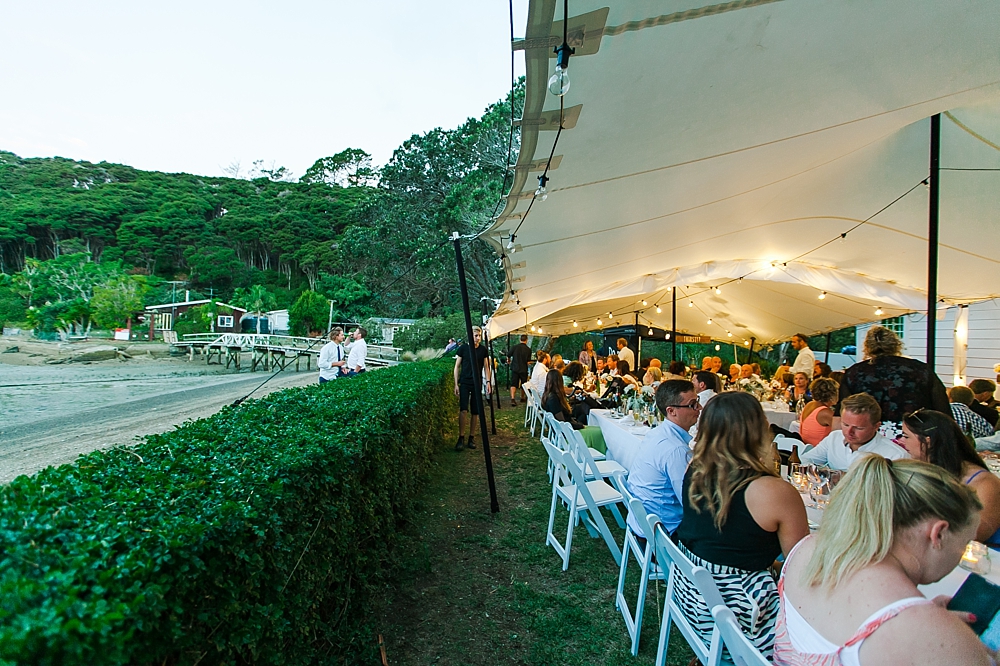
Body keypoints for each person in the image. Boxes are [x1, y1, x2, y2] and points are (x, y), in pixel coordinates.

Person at [773, 456, 992, 666]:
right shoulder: (935, 638)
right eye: (965, 544)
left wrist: (925, 621)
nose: (961, 554)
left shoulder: (805, 549)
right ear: (939, 534)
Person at [675, 392, 810, 658]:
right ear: (758, 429)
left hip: (693, 597)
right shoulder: (774, 492)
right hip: (743, 617)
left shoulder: (696, 468)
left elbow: (723, 538)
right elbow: (801, 571)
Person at [896, 408, 1000, 546]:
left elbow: (978, 533)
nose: (901, 441)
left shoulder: (984, 482)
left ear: (928, 441)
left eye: (906, 436)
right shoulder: (919, 469)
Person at [838, 325, 949, 438]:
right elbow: (943, 411)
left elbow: (841, 412)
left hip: (869, 438)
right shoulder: (921, 369)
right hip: (914, 436)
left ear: (867, 347)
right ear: (896, 344)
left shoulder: (854, 373)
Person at [625, 380, 699, 539]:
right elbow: (692, 503)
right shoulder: (677, 450)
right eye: (692, 404)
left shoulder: (657, 432)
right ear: (672, 411)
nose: (699, 409)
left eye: (697, 402)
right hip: (662, 533)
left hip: (640, 522)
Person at [800, 393, 908, 470]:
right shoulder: (835, 438)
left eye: (858, 428)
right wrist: (825, 473)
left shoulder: (895, 455)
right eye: (845, 424)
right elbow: (806, 460)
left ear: (876, 426)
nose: (849, 432)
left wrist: (846, 479)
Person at [453, 326, 492, 451]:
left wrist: (488, 382)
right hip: (465, 382)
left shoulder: (483, 350)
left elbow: (486, 367)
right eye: (476, 335)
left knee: (476, 411)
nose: (478, 338)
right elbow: (457, 366)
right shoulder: (463, 348)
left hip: (477, 383)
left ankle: (471, 437)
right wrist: (455, 384)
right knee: (463, 410)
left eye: (479, 335)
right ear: (470, 335)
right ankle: (461, 437)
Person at [798, 378, 839, 446]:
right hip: (818, 451)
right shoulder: (825, 412)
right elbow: (842, 432)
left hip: (805, 447)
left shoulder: (810, 404)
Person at [507, 334, 532, 407]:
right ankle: (522, 397)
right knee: (523, 384)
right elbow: (528, 361)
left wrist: (509, 361)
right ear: (526, 340)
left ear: (520, 339)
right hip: (523, 369)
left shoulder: (515, 347)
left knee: (513, 383)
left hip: (515, 368)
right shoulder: (528, 350)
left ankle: (512, 398)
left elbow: (508, 355)